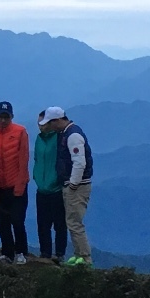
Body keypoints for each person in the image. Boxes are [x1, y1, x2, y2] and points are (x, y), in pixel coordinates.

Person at [38, 107, 94, 266]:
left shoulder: (73, 135)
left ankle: (85, 258)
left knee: (75, 222)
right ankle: (78, 255)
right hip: (73, 184)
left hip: (77, 186)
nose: (49, 127)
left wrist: (73, 184)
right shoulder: (66, 133)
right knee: (71, 221)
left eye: (50, 123)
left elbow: (79, 162)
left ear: (56, 121)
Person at [0, 101, 31, 264]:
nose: (3, 120)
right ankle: (7, 252)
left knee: (18, 220)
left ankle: (21, 251)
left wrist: (20, 186)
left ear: (12, 116)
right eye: (1, 116)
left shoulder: (20, 132)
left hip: (16, 184)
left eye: (6, 117)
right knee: (4, 221)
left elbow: (23, 160)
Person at [32, 108, 69, 261]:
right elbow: (37, 159)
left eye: (43, 123)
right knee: (43, 224)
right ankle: (45, 253)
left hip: (56, 189)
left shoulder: (60, 138)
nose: (40, 126)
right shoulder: (39, 139)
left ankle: (59, 254)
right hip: (42, 189)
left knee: (60, 224)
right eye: (38, 123)